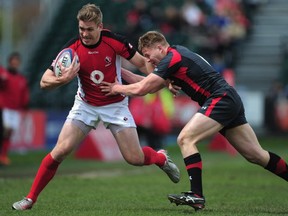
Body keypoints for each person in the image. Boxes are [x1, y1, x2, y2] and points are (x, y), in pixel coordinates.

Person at [12, 4, 180, 211]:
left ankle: (160, 157)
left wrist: (163, 78)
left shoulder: (115, 41)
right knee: (60, 150)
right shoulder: (72, 47)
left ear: (100, 26)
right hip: (86, 105)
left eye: (89, 29)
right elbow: (44, 82)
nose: (84, 34)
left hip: (116, 105)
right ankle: (30, 199)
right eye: (81, 28)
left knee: (134, 158)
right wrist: (63, 79)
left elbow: (143, 64)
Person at [100, 30, 288, 211]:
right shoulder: (174, 55)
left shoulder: (172, 58)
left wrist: (117, 88)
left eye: (148, 55)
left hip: (220, 98)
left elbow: (142, 88)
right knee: (256, 155)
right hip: (228, 98)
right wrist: (119, 71)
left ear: (160, 47)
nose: (148, 60)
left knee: (185, 139)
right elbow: (146, 84)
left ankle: (196, 195)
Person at [0, 52, 30, 166]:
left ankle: (3, 156)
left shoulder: (21, 79)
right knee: (4, 131)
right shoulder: (4, 74)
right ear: (10, 62)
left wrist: (25, 107)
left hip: (15, 110)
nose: (15, 64)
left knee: (9, 132)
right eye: (13, 61)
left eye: (17, 62)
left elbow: (24, 96)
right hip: (4, 108)